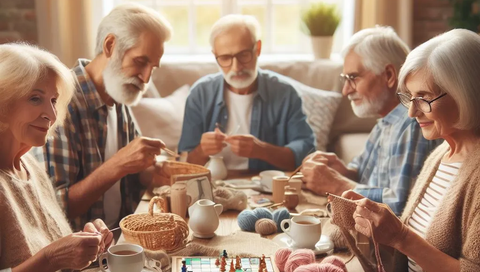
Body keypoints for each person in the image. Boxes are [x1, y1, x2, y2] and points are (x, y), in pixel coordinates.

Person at [344, 28, 480, 272]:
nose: (411, 112)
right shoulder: (440, 156)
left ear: (465, 93)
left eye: (424, 97)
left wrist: (400, 237)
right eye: (410, 97)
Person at [32, 3, 173, 231]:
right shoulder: (60, 103)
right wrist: (118, 165)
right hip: (82, 257)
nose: (146, 78)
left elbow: (133, 172)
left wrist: (152, 172)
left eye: (153, 67)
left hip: (122, 239)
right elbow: (55, 208)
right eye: (140, 61)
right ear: (110, 45)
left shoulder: (118, 93)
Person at [301, 26, 442, 215]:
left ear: (389, 76)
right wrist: (341, 171)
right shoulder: (385, 122)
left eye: (353, 78)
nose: (346, 91)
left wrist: (337, 184)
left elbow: (401, 205)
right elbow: (363, 176)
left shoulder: (411, 123)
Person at [0, 43, 113, 272]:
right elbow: (47, 258)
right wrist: (52, 259)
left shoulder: (30, 166)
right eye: (35, 98)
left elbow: (47, 245)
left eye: (53, 100)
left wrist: (83, 242)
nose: (51, 115)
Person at [178, 14, 315, 171]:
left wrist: (262, 150)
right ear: (214, 55)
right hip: (211, 187)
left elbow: (307, 154)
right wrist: (202, 150)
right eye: (225, 58)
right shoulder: (200, 94)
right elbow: (183, 164)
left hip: (264, 188)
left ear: (258, 49)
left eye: (243, 55)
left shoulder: (285, 94)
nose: (236, 67)